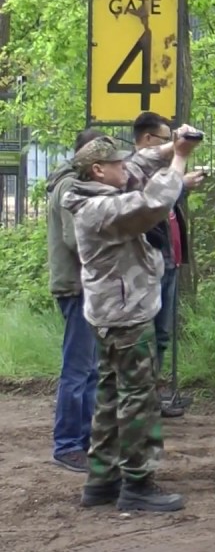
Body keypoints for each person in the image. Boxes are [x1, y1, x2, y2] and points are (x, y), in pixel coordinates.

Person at [65, 128, 203, 513]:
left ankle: (102, 479)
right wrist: (179, 159)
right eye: (114, 164)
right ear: (97, 170)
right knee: (139, 400)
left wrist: (168, 146)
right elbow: (154, 204)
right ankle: (138, 484)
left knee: (110, 397)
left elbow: (139, 162)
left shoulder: (95, 194)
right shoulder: (101, 210)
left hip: (111, 314)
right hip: (126, 317)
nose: (123, 166)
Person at [132, 112, 205, 418]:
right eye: (167, 139)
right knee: (146, 334)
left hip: (171, 260)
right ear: (148, 141)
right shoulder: (131, 174)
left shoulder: (163, 175)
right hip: (152, 261)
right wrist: (180, 178)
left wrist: (181, 183)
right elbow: (150, 205)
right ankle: (142, 398)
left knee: (163, 333)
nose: (172, 146)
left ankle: (156, 391)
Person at [47, 127, 106, 473]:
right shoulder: (70, 186)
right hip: (77, 287)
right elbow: (76, 239)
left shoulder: (73, 183)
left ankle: (83, 441)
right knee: (78, 370)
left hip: (86, 287)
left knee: (91, 370)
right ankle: (67, 444)